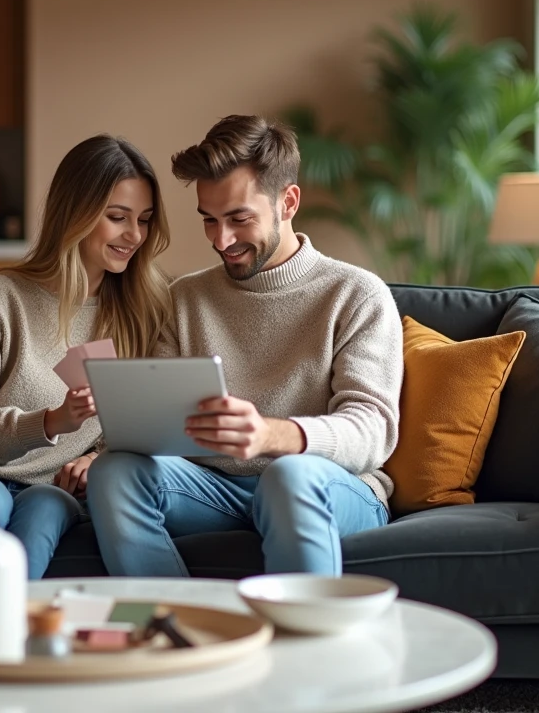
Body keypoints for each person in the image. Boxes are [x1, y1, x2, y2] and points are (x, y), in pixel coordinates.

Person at [86, 114, 403, 577]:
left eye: (239, 219)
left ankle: (299, 643)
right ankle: (172, 632)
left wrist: (272, 435)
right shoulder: (186, 298)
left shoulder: (356, 294)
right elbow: (159, 424)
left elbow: (372, 431)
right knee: (115, 472)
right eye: (209, 221)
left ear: (288, 202)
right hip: (214, 489)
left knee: (287, 475)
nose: (222, 240)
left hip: (326, 486)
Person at [0, 135, 172, 582]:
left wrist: (100, 457)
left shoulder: (141, 312)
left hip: (48, 489)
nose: (134, 236)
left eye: (143, 220)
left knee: (48, 510)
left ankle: (2, 641)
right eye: (117, 217)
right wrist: (48, 423)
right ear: (77, 214)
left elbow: (144, 425)